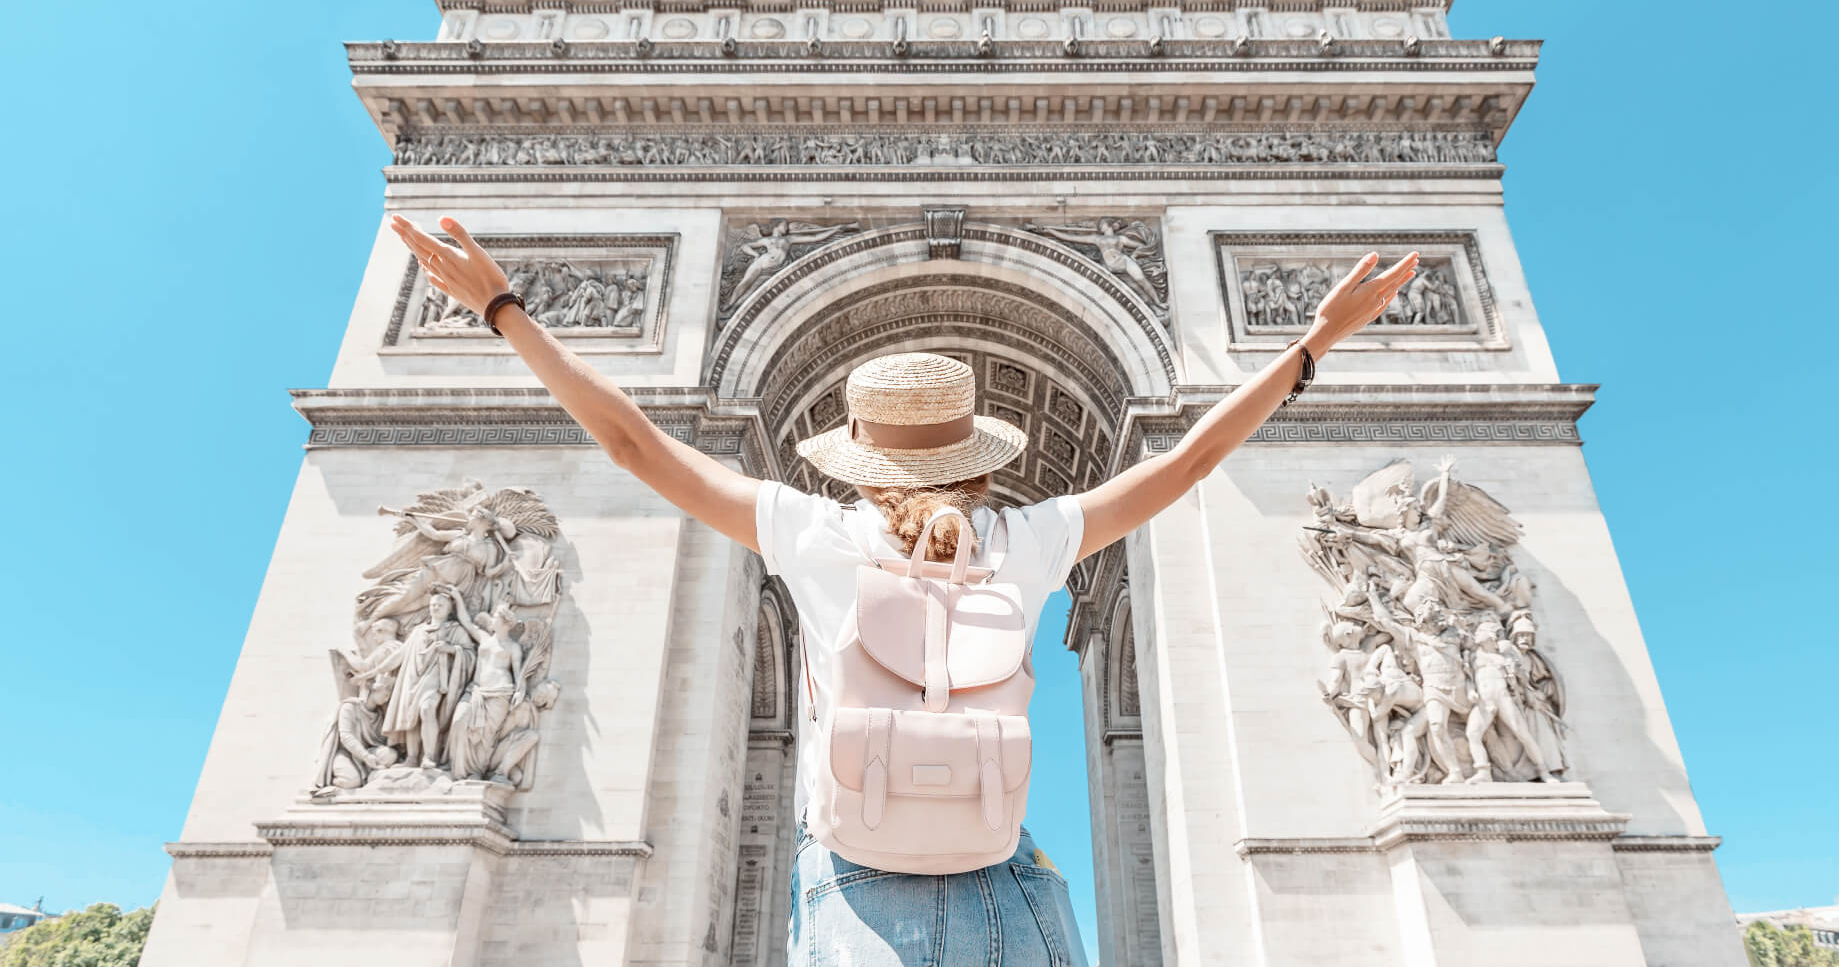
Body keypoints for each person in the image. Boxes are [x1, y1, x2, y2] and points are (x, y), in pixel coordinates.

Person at [387, 211, 1418, 966]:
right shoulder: (1031, 535)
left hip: (857, 894)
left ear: (856, 457)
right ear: (977, 455)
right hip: (1015, 888)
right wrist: (1310, 346)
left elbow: (627, 441)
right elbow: (1187, 466)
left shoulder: (811, 528)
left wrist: (503, 309)